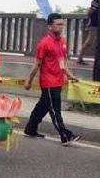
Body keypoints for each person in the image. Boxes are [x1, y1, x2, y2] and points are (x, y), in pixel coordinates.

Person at [24, 13, 81, 146]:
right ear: (50, 26)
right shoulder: (44, 43)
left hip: (58, 80)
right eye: (58, 24)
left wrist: (69, 74)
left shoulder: (62, 41)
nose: (61, 27)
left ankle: (30, 129)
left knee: (42, 107)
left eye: (62, 24)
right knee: (55, 110)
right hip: (48, 82)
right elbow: (36, 64)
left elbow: (62, 61)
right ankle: (65, 135)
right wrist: (29, 81)